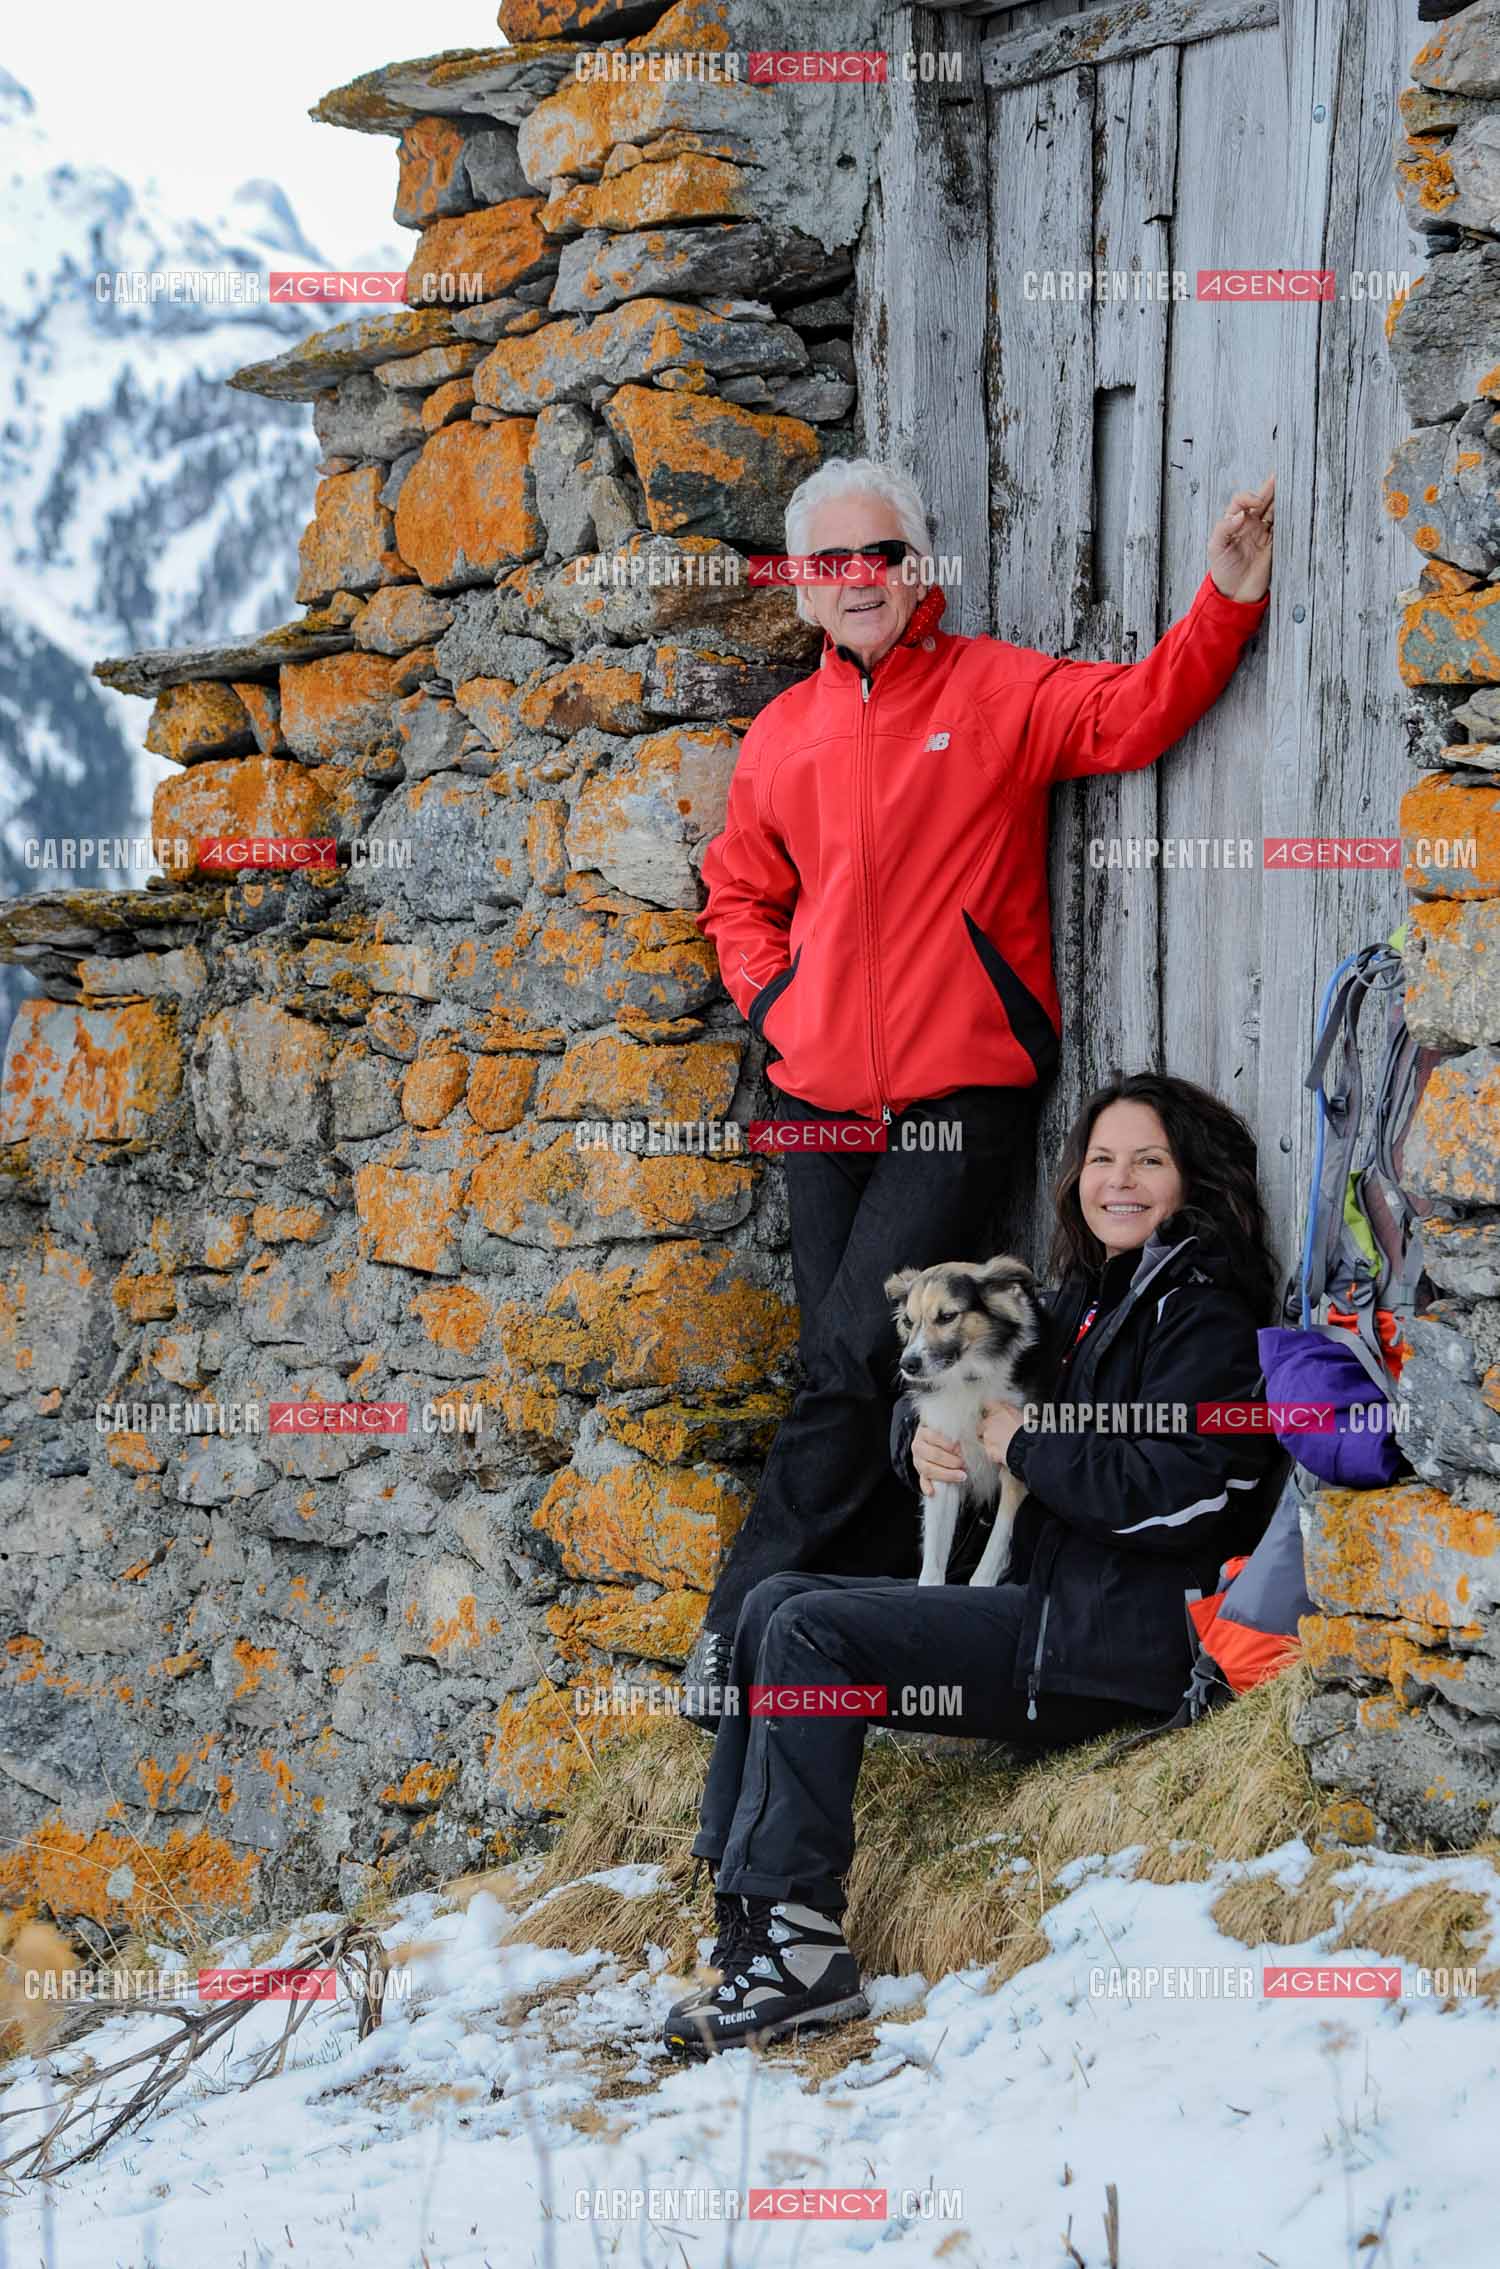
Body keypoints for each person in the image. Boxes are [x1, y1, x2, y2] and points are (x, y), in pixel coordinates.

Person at [683, 459, 1276, 1717]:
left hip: (963, 1086)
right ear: (800, 589)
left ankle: (740, 1634)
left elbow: (1135, 714)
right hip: (822, 1096)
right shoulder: (781, 736)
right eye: (832, 564)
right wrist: (777, 1004)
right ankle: (842, 1633)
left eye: (883, 555)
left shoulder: (994, 690)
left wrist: (1222, 598)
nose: (861, 581)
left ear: (921, 566)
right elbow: (738, 893)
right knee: (846, 1365)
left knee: (857, 1351)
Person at [663, 1074, 1285, 2056]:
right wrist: (925, 1448)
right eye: (1103, 1159)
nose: (1116, 1180)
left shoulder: (1204, 1313)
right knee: (770, 1601)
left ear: (1192, 1181)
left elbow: (1192, 1493)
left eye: (1148, 1161)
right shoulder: (1090, 1299)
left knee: (810, 1629)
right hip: (1043, 1614)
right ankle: (749, 1923)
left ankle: (801, 1946)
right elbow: (980, 1415)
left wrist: (1032, 1444)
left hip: (1105, 1651)